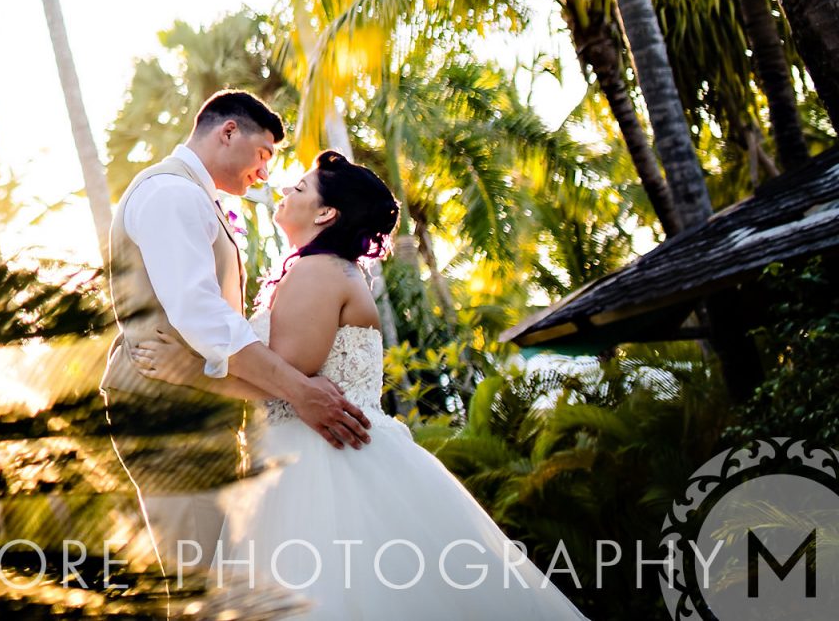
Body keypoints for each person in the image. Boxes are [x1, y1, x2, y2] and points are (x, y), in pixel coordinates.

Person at [134, 150, 587, 618]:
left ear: (327, 213)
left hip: (318, 460)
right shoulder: (326, 270)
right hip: (323, 447)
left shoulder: (319, 271)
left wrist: (184, 372)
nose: (287, 190)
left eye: (301, 188)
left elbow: (285, 378)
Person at [102, 92, 370, 586]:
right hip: (169, 415)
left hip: (190, 411)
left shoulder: (192, 196)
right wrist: (296, 389)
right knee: (197, 578)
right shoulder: (173, 194)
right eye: (264, 154)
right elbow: (200, 315)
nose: (266, 174)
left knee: (214, 575)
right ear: (228, 132)